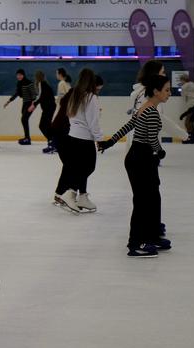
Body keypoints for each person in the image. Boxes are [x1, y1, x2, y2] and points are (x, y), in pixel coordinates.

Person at [98, 75, 173, 257]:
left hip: (138, 156)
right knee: (143, 201)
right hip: (142, 157)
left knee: (153, 198)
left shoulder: (144, 107)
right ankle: (136, 243)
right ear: (156, 91)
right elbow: (152, 138)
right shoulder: (152, 111)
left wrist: (111, 141)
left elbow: (129, 125)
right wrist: (160, 152)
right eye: (167, 90)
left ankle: (152, 236)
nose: (169, 94)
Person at [50, 68, 102, 213]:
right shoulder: (90, 97)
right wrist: (100, 139)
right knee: (86, 167)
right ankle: (68, 193)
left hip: (72, 136)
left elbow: (71, 115)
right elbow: (93, 122)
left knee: (77, 167)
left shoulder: (75, 94)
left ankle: (82, 196)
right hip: (81, 137)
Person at [3, 69, 37, 145]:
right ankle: (27, 138)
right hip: (25, 103)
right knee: (24, 119)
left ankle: (27, 139)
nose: (18, 76)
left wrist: (33, 105)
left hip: (30, 103)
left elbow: (34, 95)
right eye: (17, 75)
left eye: (20, 75)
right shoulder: (19, 83)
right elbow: (17, 93)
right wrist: (9, 101)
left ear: (23, 75)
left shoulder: (29, 83)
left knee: (24, 119)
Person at [28, 70, 57, 154]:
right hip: (50, 107)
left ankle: (52, 143)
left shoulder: (42, 84)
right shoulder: (44, 84)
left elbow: (41, 96)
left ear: (37, 77)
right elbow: (41, 96)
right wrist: (34, 103)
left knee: (43, 126)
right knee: (46, 126)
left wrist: (34, 105)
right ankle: (53, 143)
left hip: (49, 107)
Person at [180, 73, 194, 144]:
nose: (181, 82)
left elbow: (184, 98)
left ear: (183, 80)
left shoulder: (184, 87)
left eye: (181, 80)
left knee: (187, 122)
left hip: (191, 106)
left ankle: (190, 138)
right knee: (191, 122)